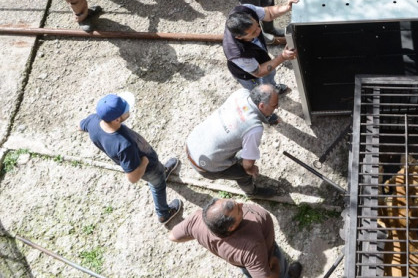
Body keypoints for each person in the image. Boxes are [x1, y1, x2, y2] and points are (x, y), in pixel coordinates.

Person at [79, 93, 182, 224]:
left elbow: (80, 126)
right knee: (158, 186)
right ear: (116, 120)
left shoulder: (93, 120)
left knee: (159, 172)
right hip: (149, 169)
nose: (128, 109)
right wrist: (145, 162)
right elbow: (132, 178)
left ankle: (163, 172)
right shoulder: (124, 145)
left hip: (151, 164)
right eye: (126, 109)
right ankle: (163, 214)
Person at [185, 85, 280, 198]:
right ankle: (252, 192)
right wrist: (251, 169)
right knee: (244, 173)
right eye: (274, 105)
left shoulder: (241, 93)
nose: (277, 107)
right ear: (261, 105)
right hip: (205, 166)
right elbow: (248, 165)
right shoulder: (254, 128)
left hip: (191, 143)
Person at [168, 198, 302, 278]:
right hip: (266, 257)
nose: (241, 204)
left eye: (233, 201)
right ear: (231, 227)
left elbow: (173, 236)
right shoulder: (251, 248)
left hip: (245, 263)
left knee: (250, 272)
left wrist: (201, 237)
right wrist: (275, 269)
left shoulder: (197, 220)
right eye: (238, 210)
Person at [223, 0, 299, 95]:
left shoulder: (245, 10)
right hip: (250, 76)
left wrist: (287, 7)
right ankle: (266, 97)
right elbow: (259, 72)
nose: (259, 31)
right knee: (260, 92)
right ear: (239, 37)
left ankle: (273, 88)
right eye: (253, 32)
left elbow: (269, 13)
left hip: (258, 57)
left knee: (269, 76)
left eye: (257, 26)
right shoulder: (238, 54)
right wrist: (283, 57)